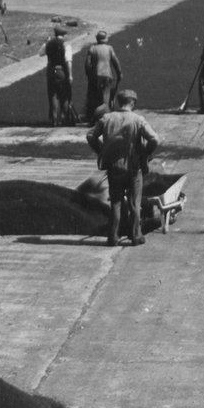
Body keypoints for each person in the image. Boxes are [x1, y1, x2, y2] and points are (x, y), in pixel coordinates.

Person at [86, 89, 159, 247]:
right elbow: (154, 139)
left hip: (113, 167)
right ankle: (136, 236)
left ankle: (113, 237)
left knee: (116, 204)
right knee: (134, 203)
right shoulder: (138, 120)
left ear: (118, 102)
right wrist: (146, 153)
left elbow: (90, 136)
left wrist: (101, 150)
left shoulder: (107, 118)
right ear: (133, 102)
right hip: (133, 168)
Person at [83, 31, 122, 124]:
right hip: (107, 75)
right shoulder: (109, 48)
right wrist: (119, 73)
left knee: (93, 97)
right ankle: (106, 118)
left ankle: (93, 119)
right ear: (105, 39)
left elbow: (87, 64)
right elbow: (115, 61)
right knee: (106, 98)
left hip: (95, 76)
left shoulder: (92, 48)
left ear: (97, 39)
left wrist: (89, 75)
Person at [43, 27, 75, 126]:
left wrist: (47, 42)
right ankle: (65, 118)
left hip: (51, 72)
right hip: (61, 71)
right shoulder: (66, 45)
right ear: (63, 35)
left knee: (52, 95)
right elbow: (68, 61)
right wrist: (70, 75)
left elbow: (40, 53)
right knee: (64, 95)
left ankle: (54, 120)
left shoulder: (48, 43)